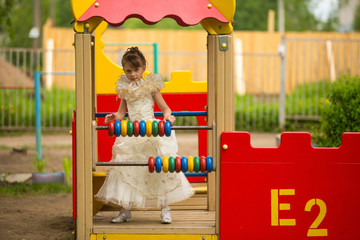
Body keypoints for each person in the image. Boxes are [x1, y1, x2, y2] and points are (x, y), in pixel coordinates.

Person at [95, 47, 194, 224]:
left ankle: (165, 208)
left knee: (161, 168)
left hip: (151, 131)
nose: (133, 74)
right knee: (128, 169)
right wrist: (114, 117)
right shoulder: (124, 89)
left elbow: (165, 108)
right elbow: (121, 113)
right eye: (128, 70)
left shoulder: (151, 87)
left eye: (136, 69)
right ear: (124, 70)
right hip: (132, 133)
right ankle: (125, 210)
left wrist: (167, 117)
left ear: (144, 67)